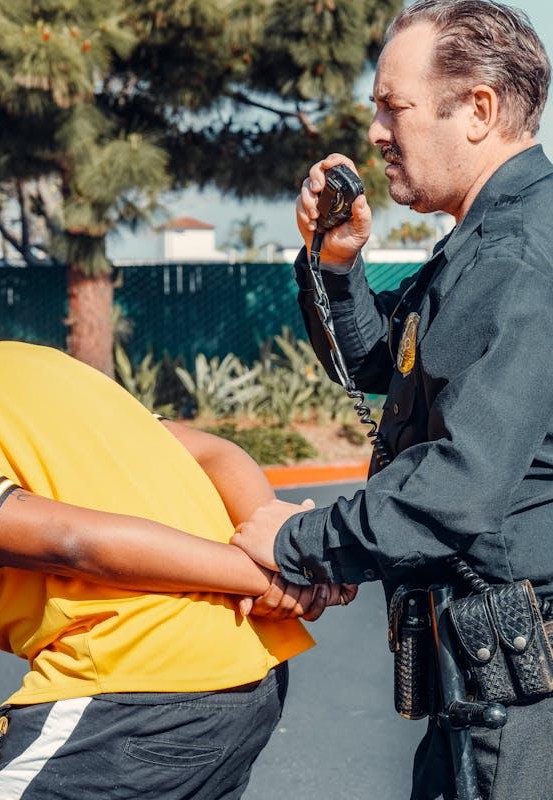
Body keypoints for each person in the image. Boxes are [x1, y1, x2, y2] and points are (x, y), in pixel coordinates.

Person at [231, 1, 553, 798]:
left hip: (519, 713)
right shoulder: (483, 243)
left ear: (477, 109)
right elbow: (385, 364)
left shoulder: (520, 256)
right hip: (482, 694)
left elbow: (459, 485)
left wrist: (297, 540)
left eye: (392, 106)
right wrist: (338, 263)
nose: (374, 130)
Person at [0, 339, 356, 800]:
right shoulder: (16, 361)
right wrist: (284, 550)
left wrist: (271, 576)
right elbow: (215, 453)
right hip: (248, 673)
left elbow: (71, 543)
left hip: (131, 685)